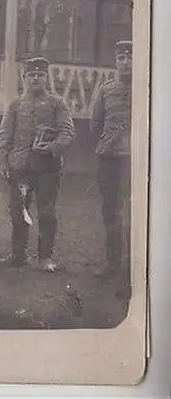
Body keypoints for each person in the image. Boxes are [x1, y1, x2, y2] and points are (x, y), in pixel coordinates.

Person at [0, 57, 76, 272]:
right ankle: (18, 254)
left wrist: (51, 147)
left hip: (47, 169)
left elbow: (68, 132)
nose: (36, 79)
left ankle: (45, 257)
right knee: (18, 211)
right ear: (24, 78)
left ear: (47, 78)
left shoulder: (57, 103)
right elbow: (4, 135)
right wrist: (2, 162)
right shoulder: (15, 105)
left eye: (40, 75)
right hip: (19, 169)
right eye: (31, 75)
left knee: (47, 212)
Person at [90, 40, 132, 284]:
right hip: (109, 158)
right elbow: (96, 124)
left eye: (130, 58)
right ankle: (112, 261)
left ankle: (131, 262)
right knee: (110, 210)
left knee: (131, 211)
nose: (125, 62)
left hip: (134, 161)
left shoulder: (148, 88)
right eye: (121, 59)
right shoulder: (105, 90)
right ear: (116, 62)